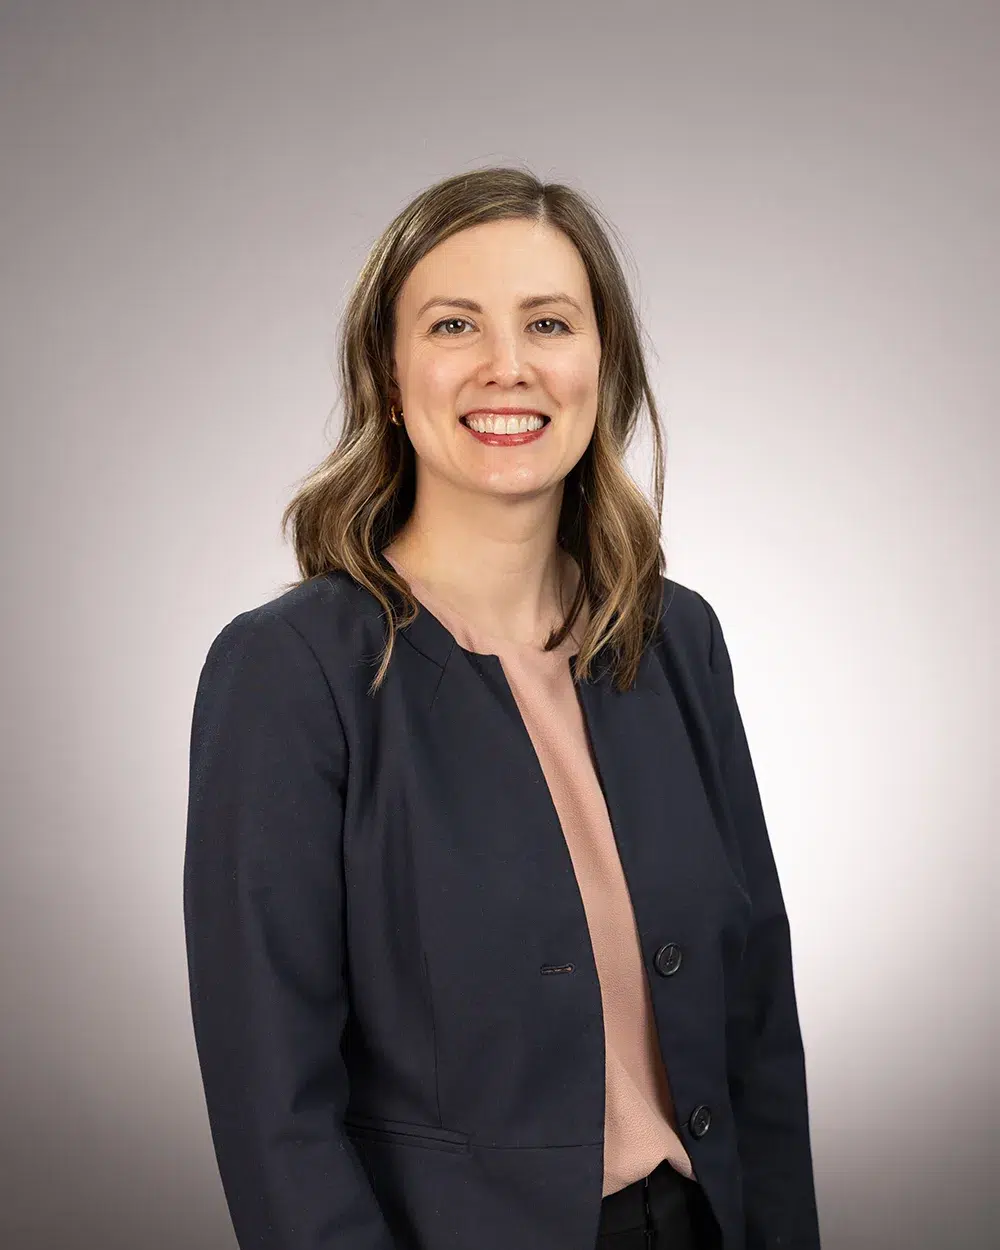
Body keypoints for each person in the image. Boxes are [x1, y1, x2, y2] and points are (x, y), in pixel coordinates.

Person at [183, 166, 821, 1250]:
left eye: (549, 322)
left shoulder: (677, 638)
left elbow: (757, 1012)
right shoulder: (289, 672)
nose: (507, 365)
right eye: (453, 324)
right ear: (388, 373)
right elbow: (272, 1111)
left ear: (600, 362)